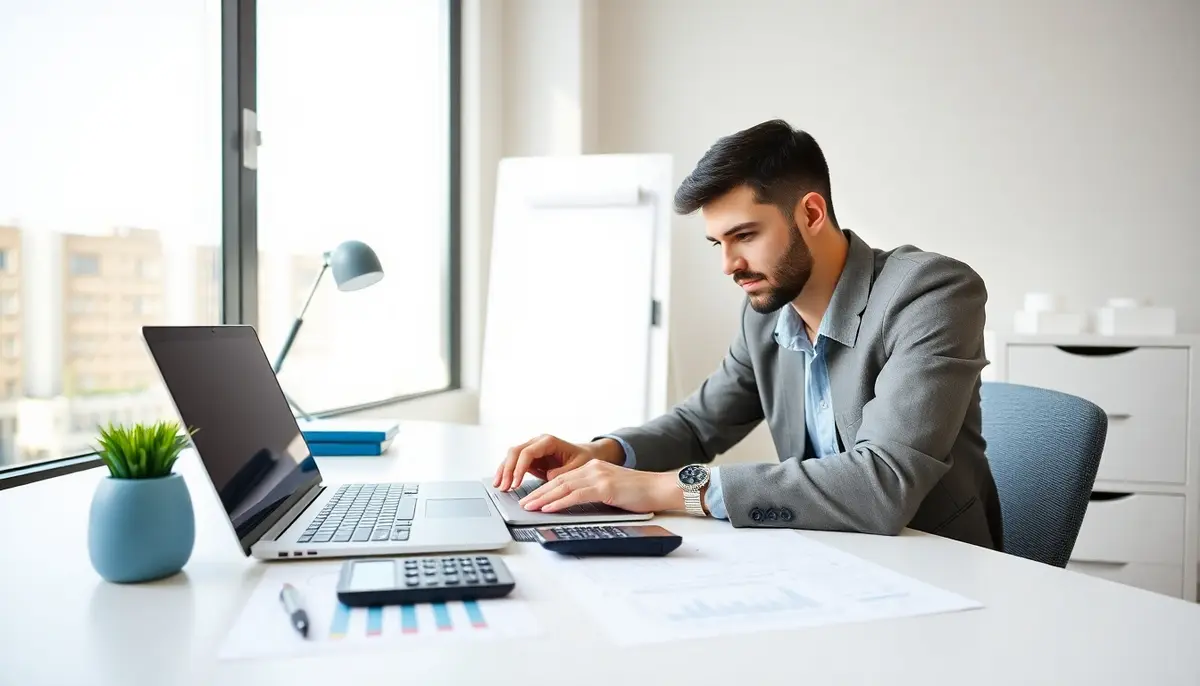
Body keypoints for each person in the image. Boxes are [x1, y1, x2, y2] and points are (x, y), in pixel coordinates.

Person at [492, 119, 1003, 549]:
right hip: (828, 555)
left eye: (745, 236)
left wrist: (668, 489)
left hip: (939, 564)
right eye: (717, 242)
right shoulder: (765, 312)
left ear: (810, 213)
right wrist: (603, 454)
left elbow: (883, 484)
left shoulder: (931, 292)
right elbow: (697, 426)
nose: (729, 265)